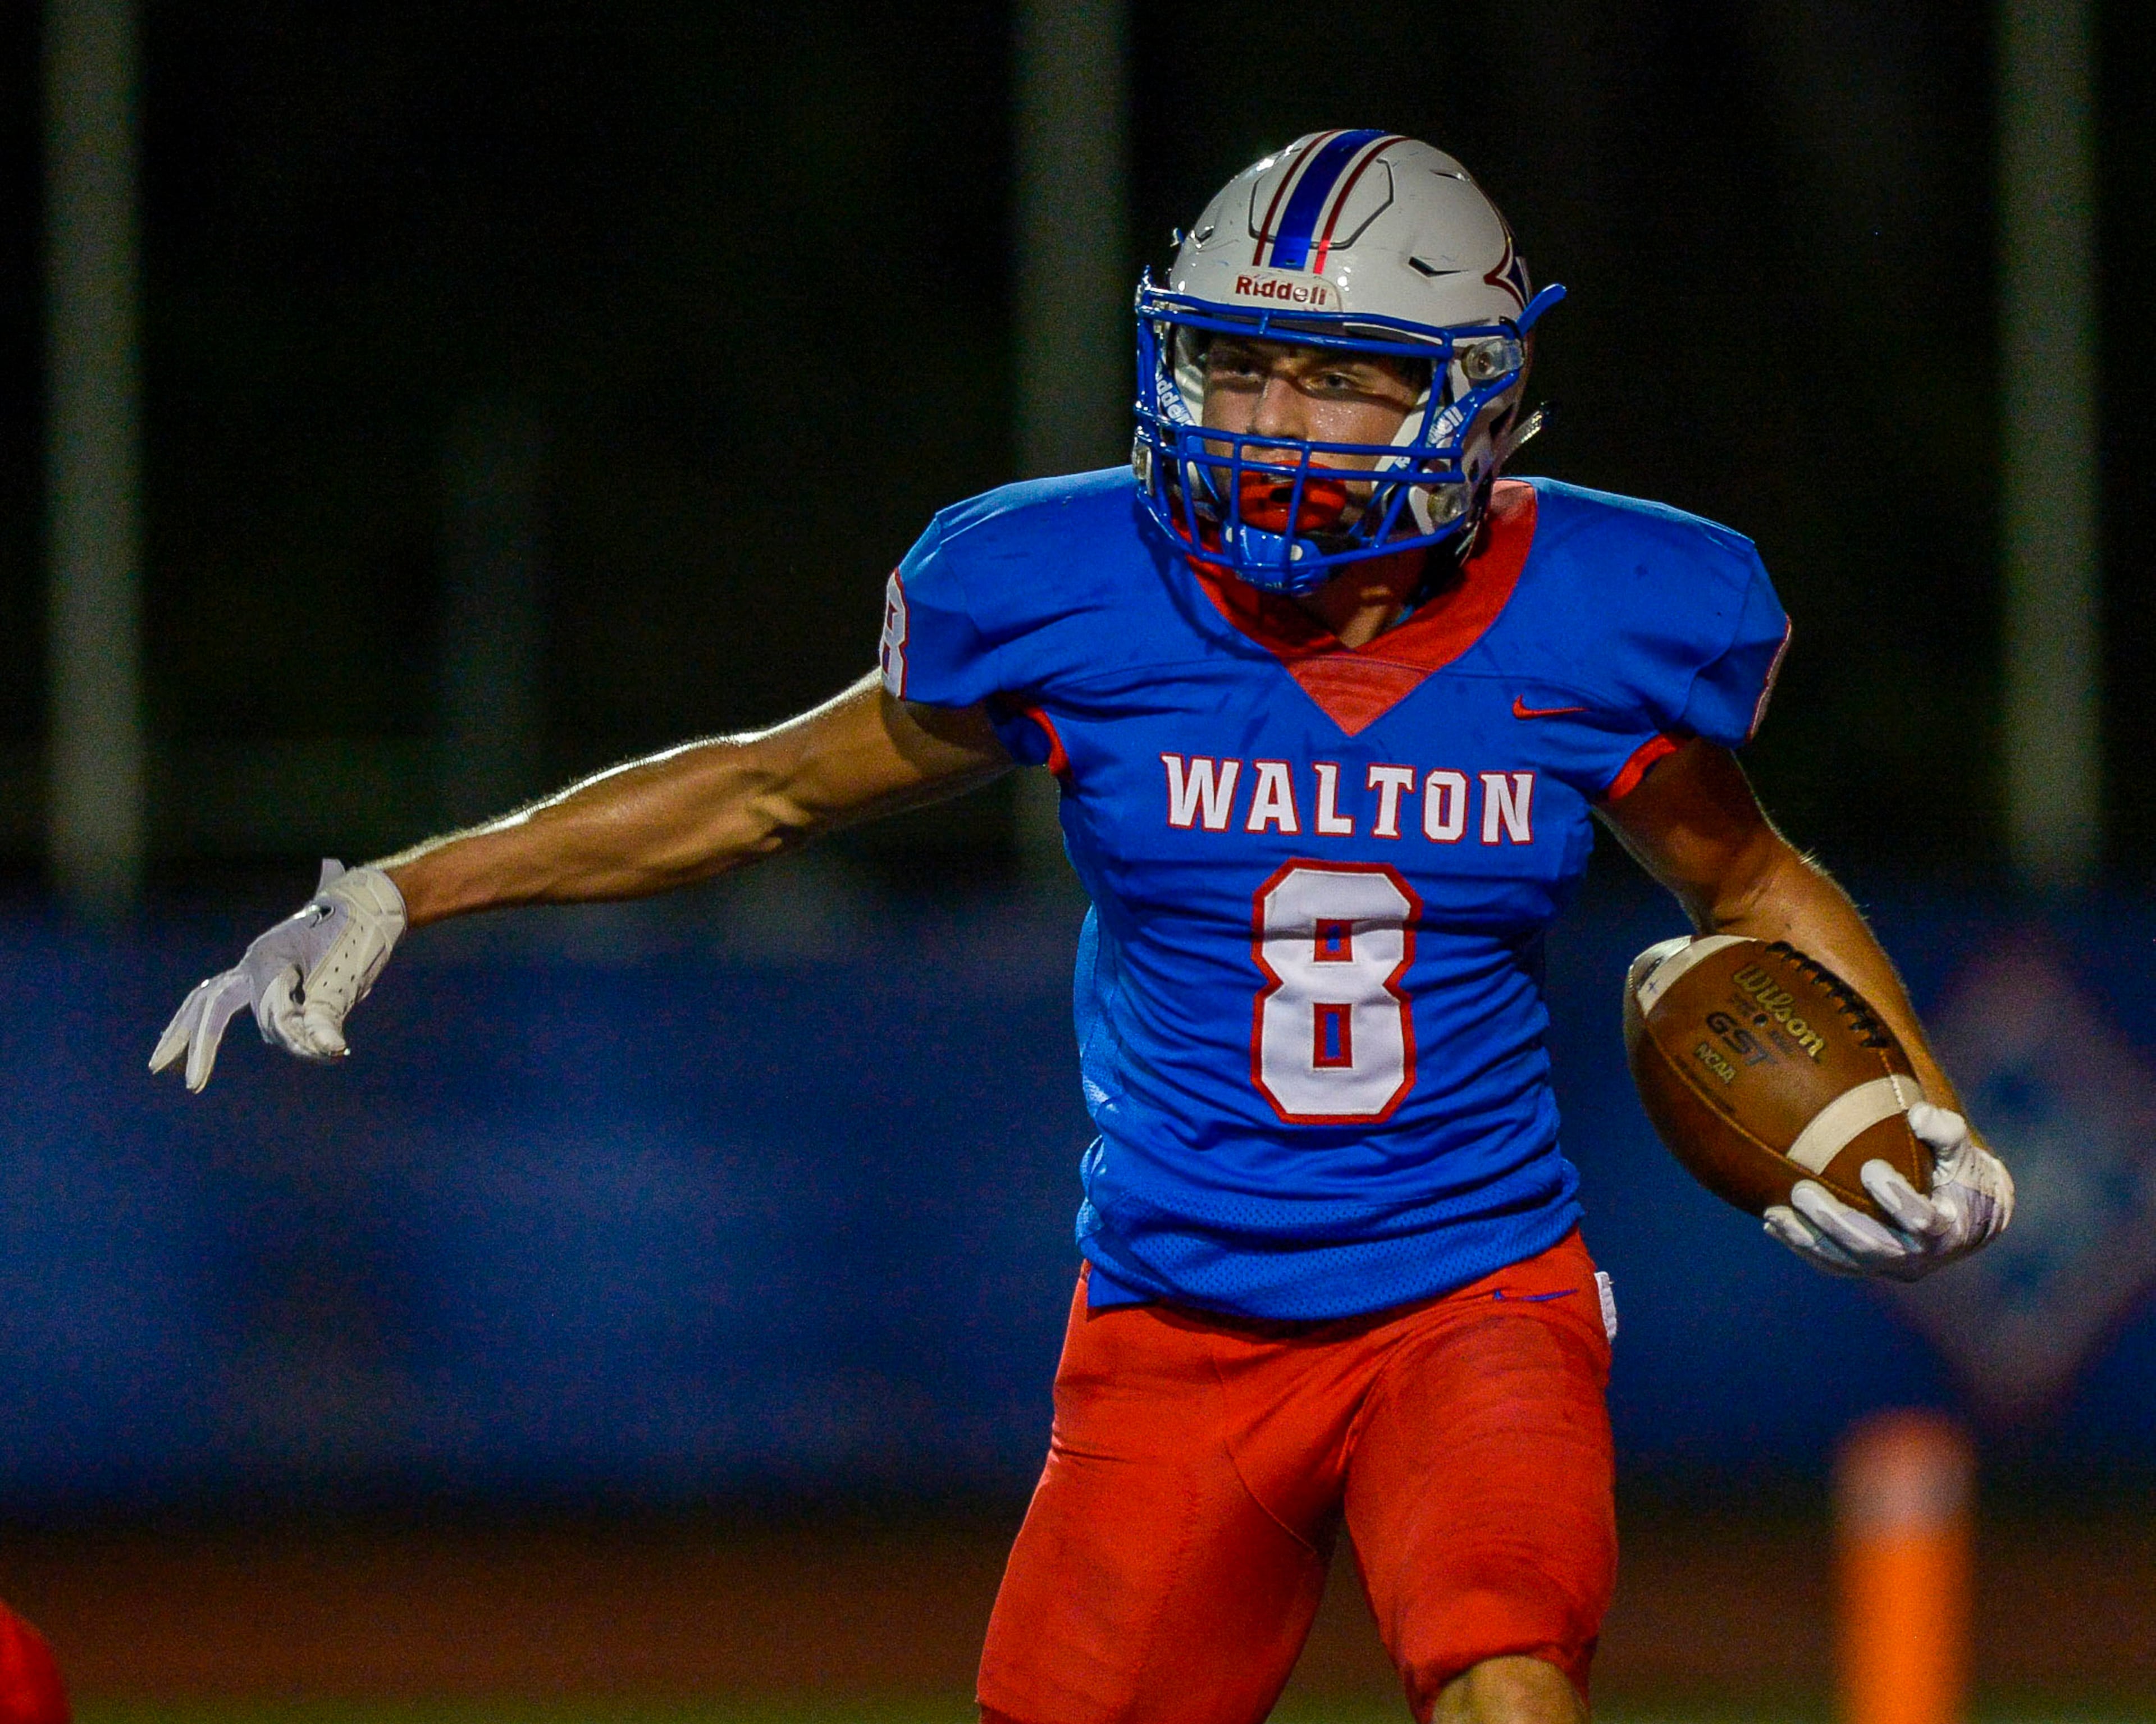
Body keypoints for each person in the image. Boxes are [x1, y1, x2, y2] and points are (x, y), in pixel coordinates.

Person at [153, 132, 2013, 1724]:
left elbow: (1747, 883)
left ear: (1477, 399)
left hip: (1473, 1299)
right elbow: (766, 786)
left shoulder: (1597, 614)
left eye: (1337, 376)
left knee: (1505, 1672)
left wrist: (1930, 1122)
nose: (1273, 422)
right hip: (1174, 1318)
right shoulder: (1076, 589)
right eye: (1240, 366)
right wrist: (410, 881)